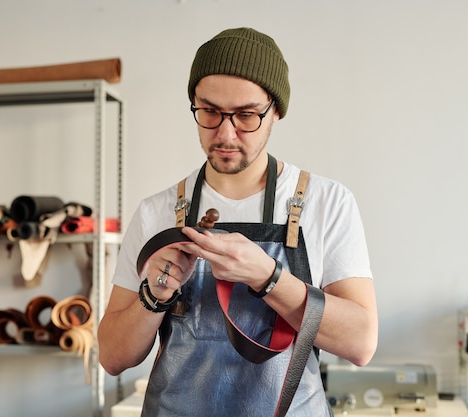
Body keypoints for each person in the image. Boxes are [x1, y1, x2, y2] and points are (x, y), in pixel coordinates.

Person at [98, 27, 378, 417]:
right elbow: (112, 357)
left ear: (275, 111)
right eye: (210, 111)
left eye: (246, 115)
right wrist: (155, 293)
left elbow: (361, 343)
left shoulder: (324, 203)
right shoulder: (157, 211)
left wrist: (269, 277)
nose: (225, 134)